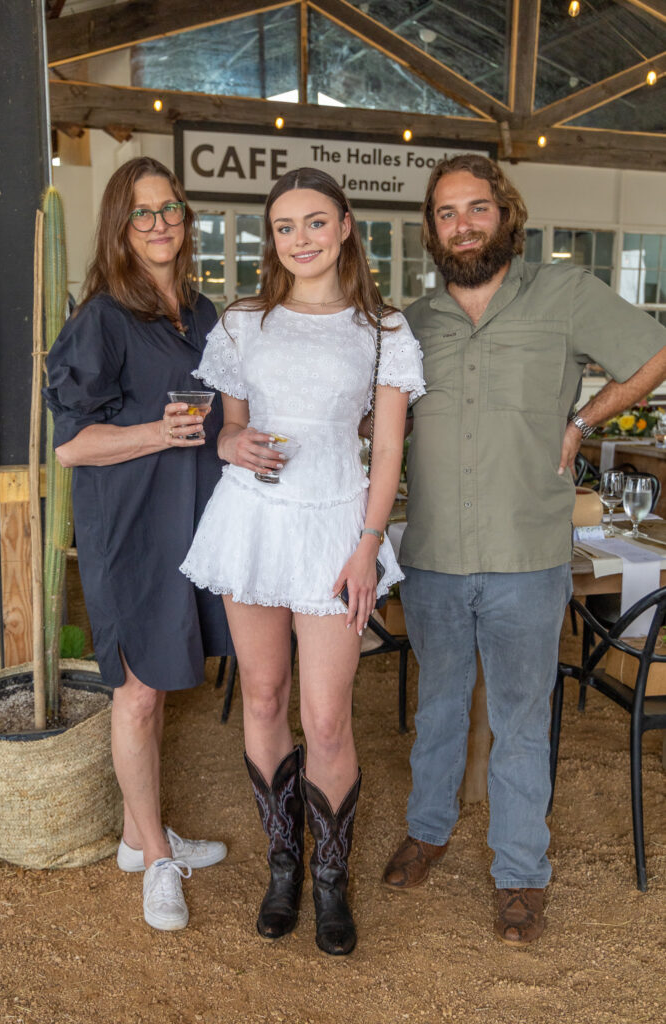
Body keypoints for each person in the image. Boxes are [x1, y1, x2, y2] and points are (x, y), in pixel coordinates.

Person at [382, 153, 666, 946]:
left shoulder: (564, 294)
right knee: (436, 710)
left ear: (505, 215)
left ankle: (519, 875)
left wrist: (583, 421)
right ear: (431, 229)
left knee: (518, 720)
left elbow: (652, 353)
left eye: (477, 208)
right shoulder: (410, 323)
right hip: (434, 552)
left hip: (527, 554)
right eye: (446, 213)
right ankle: (428, 830)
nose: (462, 224)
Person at [181, 167, 424, 956]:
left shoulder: (384, 331)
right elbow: (229, 429)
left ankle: (330, 879)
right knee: (261, 696)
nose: (300, 240)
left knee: (323, 716)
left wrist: (366, 548)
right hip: (252, 519)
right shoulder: (244, 322)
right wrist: (226, 441)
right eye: (284, 227)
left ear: (346, 225)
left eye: (314, 222)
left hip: (332, 528)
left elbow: (386, 447)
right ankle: (282, 863)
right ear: (271, 238)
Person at [44, 157, 232, 932]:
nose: (158, 223)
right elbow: (71, 447)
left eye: (170, 209)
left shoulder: (202, 312)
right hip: (129, 532)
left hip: (190, 524)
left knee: (158, 687)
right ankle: (157, 858)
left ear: (186, 219)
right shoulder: (102, 318)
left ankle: (134, 835)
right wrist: (158, 430)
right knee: (138, 692)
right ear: (120, 228)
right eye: (140, 212)